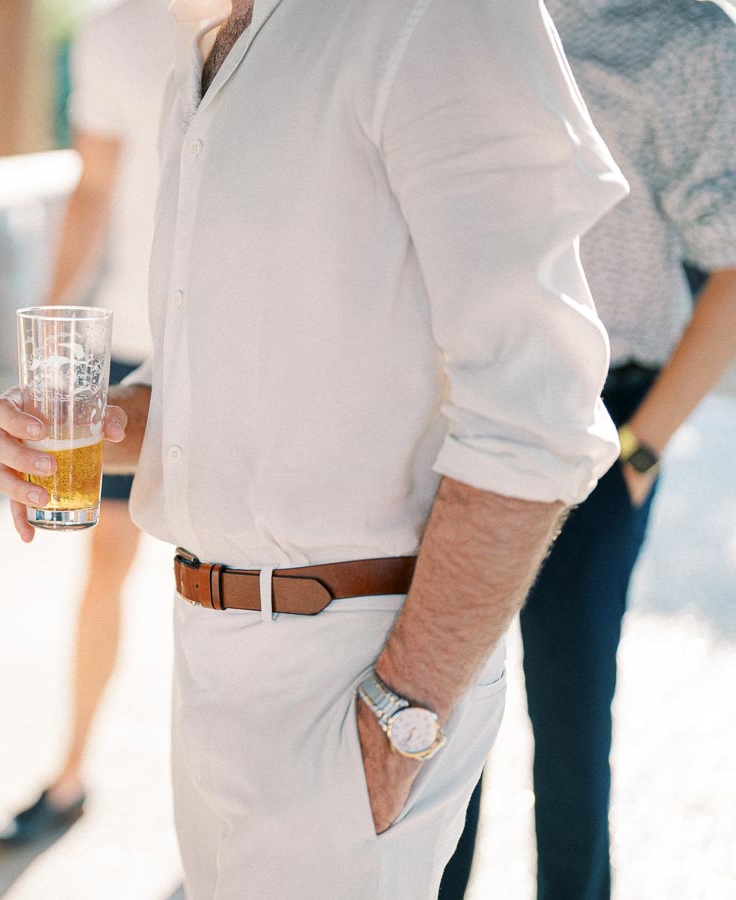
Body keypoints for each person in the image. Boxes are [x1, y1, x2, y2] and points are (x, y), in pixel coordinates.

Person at [0, 0, 629, 895]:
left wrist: (400, 719)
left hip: (355, 674)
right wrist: (108, 425)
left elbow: (539, 408)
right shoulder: (208, 53)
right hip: (212, 661)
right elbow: (233, 392)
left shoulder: (432, 18)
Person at [439, 2, 736, 898]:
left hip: (605, 429)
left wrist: (641, 455)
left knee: (571, 727)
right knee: (435, 725)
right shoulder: (446, 23)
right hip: (452, 418)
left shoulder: (684, 41)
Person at [0, 0, 173, 847]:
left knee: (236, 576)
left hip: (247, 353)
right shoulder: (112, 31)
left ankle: (230, 815)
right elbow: (93, 187)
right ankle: (70, 774)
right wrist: (50, 336)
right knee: (105, 565)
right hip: (130, 340)